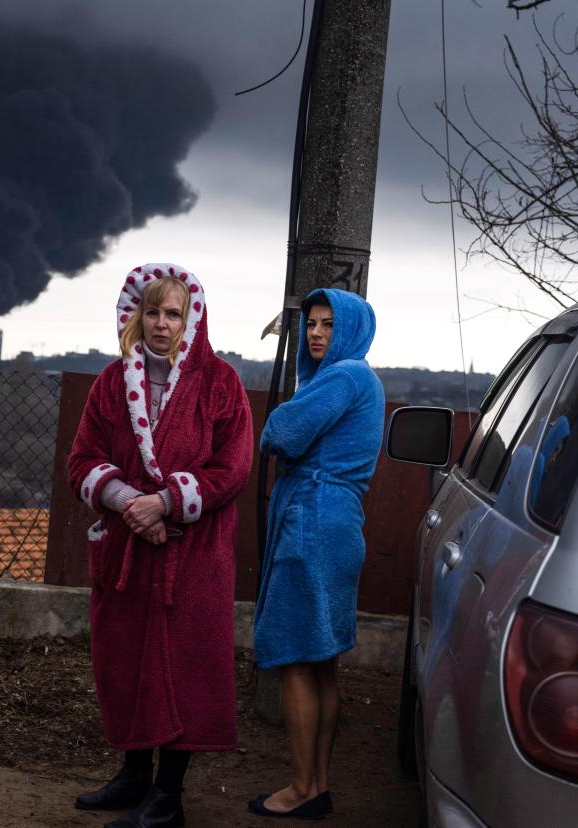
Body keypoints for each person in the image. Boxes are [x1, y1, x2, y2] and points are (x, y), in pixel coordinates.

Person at [68, 263, 253, 828]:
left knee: (182, 666)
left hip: (192, 556)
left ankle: (168, 796)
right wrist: (129, 502)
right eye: (153, 311)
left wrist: (168, 502)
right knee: (126, 660)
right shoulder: (109, 383)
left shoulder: (220, 383)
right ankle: (133, 776)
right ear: (135, 315)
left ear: (191, 316)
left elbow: (233, 466)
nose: (162, 323)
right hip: (129, 551)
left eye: (174, 313)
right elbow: (82, 459)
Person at [249, 288, 385, 821]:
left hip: (313, 520)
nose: (316, 333)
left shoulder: (346, 376)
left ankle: (303, 788)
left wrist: (279, 419)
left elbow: (281, 432)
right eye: (311, 323)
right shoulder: (360, 380)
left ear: (351, 329)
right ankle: (318, 785)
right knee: (321, 664)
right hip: (338, 521)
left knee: (294, 662)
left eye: (329, 324)